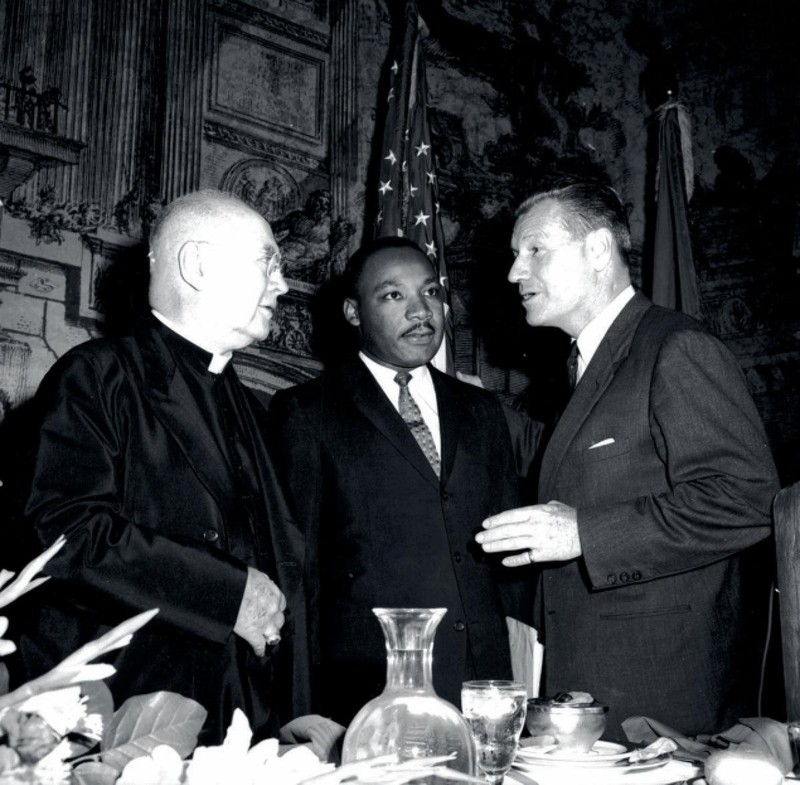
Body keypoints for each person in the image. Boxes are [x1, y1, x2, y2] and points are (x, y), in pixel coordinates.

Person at [475, 178, 779, 739]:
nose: (516, 272)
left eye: (535, 250)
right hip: (596, 691)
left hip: (664, 699)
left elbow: (747, 499)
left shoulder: (674, 347)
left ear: (597, 251)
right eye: (516, 256)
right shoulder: (586, 366)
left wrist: (583, 534)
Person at [15, 190, 313, 746]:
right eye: (268, 263)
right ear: (198, 265)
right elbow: (64, 537)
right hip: (120, 721)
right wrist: (227, 594)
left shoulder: (256, 408)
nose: (284, 284)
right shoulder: (97, 376)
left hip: (239, 727)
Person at [265, 237, 535, 724]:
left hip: (482, 685)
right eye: (393, 296)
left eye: (431, 293)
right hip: (367, 692)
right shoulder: (306, 413)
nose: (420, 311)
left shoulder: (481, 411)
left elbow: (506, 563)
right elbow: (298, 575)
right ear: (352, 312)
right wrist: (300, 711)